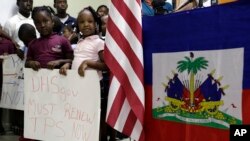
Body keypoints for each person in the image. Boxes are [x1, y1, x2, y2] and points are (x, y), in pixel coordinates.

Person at [59, 6, 110, 141]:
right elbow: (77, 61)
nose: (86, 24)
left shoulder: (99, 42)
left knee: (94, 118)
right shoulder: (80, 42)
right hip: (78, 87)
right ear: (77, 25)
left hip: (93, 88)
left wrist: (89, 62)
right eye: (82, 22)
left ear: (96, 24)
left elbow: (107, 66)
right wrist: (68, 64)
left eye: (90, 21)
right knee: (81, 117)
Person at [25, 6, 73, 71]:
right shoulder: (32, 44)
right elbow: (26, 63)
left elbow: (71, 61)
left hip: (59, 79)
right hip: (38, 79)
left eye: (45, 21)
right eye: (38, 23)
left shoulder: (63, 40)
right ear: (35, 25)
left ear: (52, 22)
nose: (42, 25)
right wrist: (31, 63)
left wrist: (59, 62)